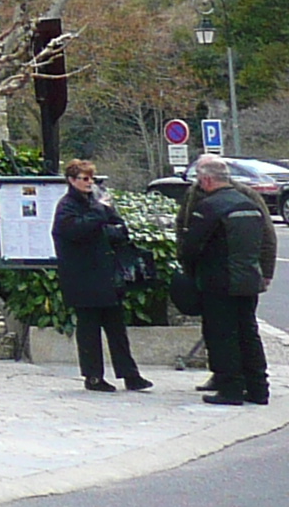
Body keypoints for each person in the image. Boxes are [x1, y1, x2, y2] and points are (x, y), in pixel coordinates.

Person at [176, 156, 276, 407]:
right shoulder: (249, 203)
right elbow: (266, 238)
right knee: (248, 334)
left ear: (207, 179)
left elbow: (190, 247)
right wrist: (264, 271)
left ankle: (230, 389)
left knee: (223, 335)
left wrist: (190, 272)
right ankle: (258, 388)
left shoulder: (209, 207)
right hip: (248, 280)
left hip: (219, 281)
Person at [50, 159, 153, 392]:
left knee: (117, 328)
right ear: (71, 180)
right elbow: (76, 231)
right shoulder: (67, 206)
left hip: (107, 276)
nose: (89, 183)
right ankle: (93, 376)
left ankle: (130, 374)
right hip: (84, 278)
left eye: (91, 178)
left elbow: (119, 229)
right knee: (89, 330)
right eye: (84, 179)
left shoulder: (96, 203)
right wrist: (100, 215)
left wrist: (103, 223)